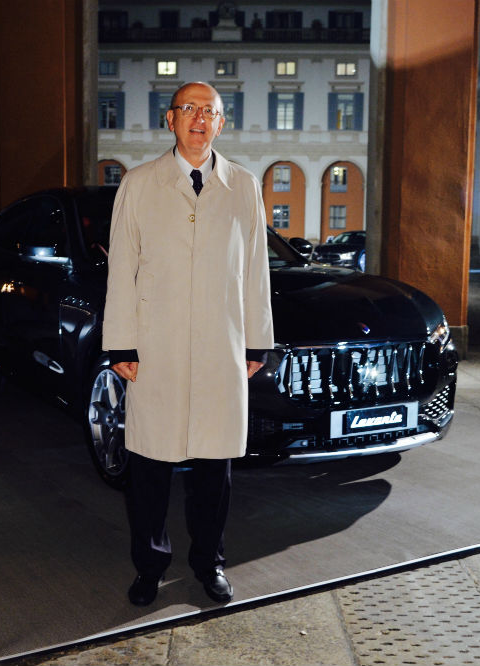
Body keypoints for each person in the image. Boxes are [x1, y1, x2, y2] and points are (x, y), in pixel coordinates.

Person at [102, 81, 274, 607]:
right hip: (157, 349)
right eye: (189, 110)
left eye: (211, 111)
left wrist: (257, 342)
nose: (200, 119)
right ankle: (150, 567)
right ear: (170, 120)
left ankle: (209, 564)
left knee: (213, 469)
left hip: (222, 347)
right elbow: (122, 272)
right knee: (151, 467)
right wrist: (122, 346)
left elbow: (255, 271)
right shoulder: (138, 184)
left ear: (222, 124)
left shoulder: (243, 186)